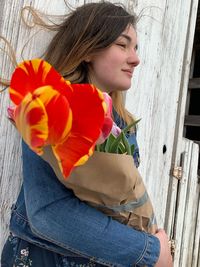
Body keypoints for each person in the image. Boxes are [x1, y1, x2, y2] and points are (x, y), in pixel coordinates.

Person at [1, 2, 172, 266]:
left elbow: (117, 203)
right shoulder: (50, 109)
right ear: (89, 50)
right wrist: (149, 252)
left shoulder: (125, 125)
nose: (136, 58)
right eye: (123, 44)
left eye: (136, 47)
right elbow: (48, 214)